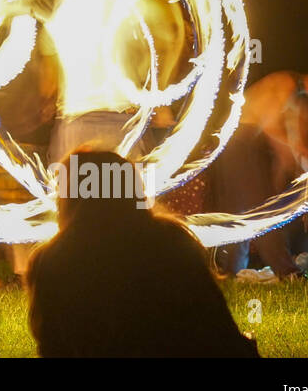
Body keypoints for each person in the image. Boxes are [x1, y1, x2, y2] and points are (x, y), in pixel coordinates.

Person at [26, 149, 258, 357]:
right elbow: (217, 328)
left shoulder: (52, 261)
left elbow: (52, 346)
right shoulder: (172, 241)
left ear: (70, 200)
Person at [210, 63, 308, 278]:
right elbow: (272, 126)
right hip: (240, 142)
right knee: (265, 209)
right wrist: (289, 153)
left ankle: (230, 272)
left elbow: (292, 140)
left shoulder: (295, 92)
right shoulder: (286, 82)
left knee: (243, 210)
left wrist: (305, 168)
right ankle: (287, 271)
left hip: (242, 144)